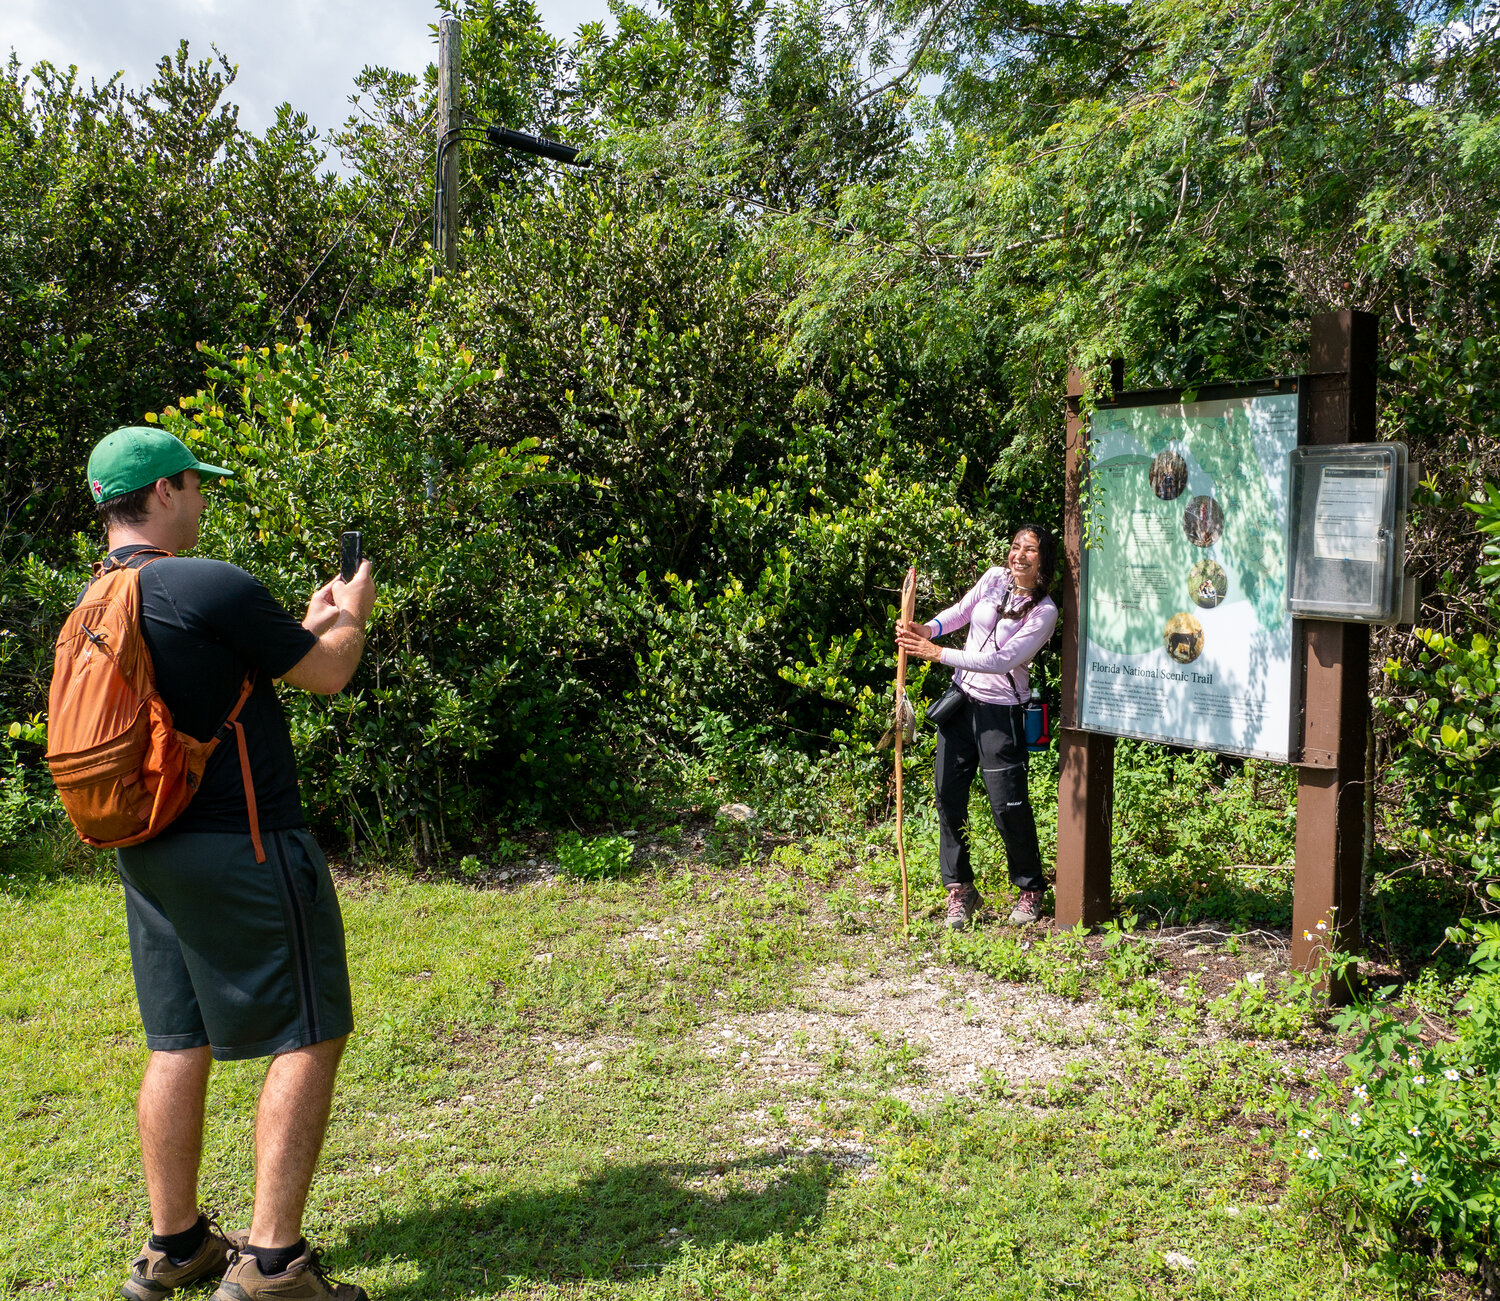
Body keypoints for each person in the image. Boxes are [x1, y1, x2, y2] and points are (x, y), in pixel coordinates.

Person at [83, 427, 375, 1301]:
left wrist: (308, 622)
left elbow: (240, 666)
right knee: (310, 1029)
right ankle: (273, 1267)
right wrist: (351, 612)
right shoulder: (206, 582)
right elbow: (326, 673)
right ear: (164, 490)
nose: (205, 500)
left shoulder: (103, 599)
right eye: (197, 485)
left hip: (149, 848)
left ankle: (174, 1245)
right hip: (245, 844)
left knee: (180, 1035)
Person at [896, 524, 1060, 928]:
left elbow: (1002, 660)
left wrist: (937, 654)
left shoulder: (1045, 611)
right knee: (948, 794)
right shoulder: (993, 578)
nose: (1019, 555)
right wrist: (927, 629)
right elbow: (961, 613)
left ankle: (1030, 887)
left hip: (1000, 713)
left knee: (1008, 803)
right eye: (1016, 547)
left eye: (1030, 550)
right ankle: (960, 890)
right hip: (960, 702)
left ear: (1043, 559)